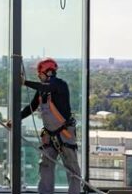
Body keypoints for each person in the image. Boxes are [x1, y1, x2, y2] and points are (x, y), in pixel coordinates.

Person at [7, 58, 80, 194]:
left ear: (48, 72)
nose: (39, 76)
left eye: (40, 73)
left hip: (65, 134)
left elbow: (48, 87)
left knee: (72, 170)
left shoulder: (60, 85)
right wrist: (16, 119)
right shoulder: (42, 91)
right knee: (45, 166)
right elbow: (31, 107)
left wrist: (25, 82)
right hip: (50, 135)